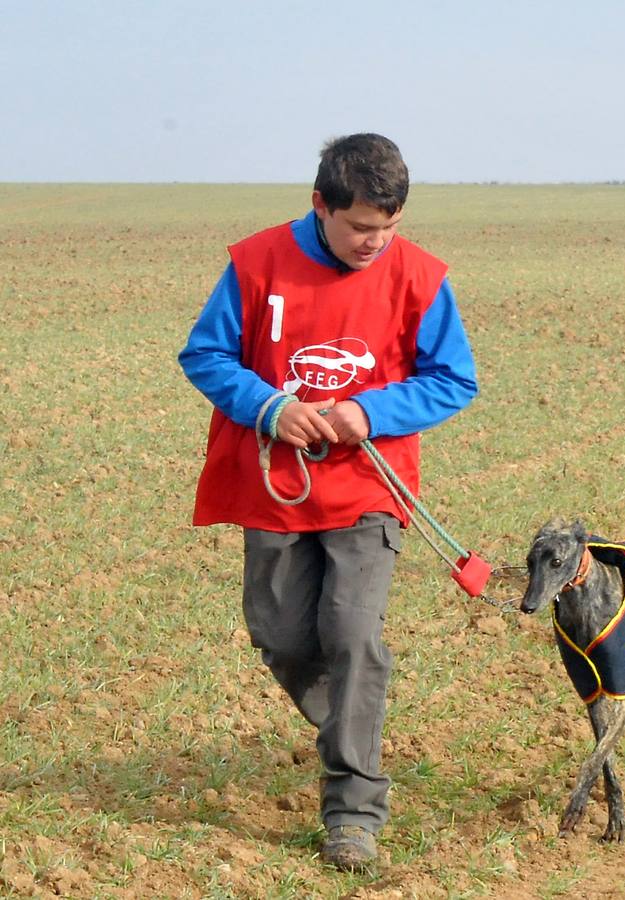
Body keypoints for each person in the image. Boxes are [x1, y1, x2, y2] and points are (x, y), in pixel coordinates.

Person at [179, 133, 477, 869]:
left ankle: (353, 808)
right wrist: (270, 407)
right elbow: (206, 354)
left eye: (389, 228)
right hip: (275, 485)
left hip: (371, 488)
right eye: (360, 228)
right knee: (281, 635)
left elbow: (453, 378)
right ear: (321, 204)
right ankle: (354, 723)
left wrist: (368, 413)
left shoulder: (420, 276)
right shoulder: (255, 262)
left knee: (351, 636)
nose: (376, 243)